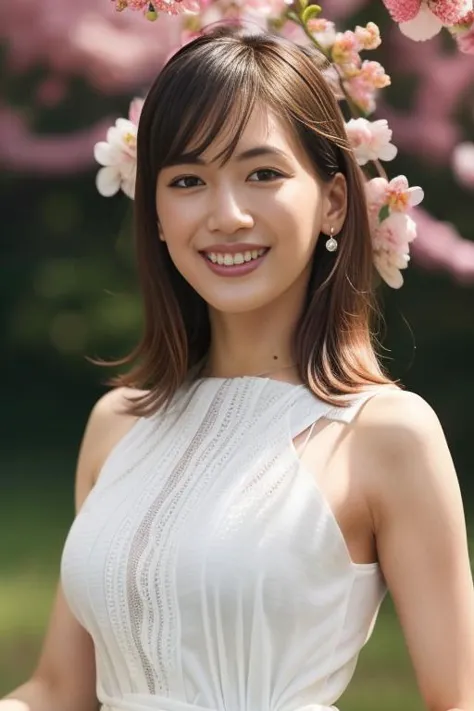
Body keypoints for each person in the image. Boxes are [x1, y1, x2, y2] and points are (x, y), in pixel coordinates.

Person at [3, 22, 474, 711]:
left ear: (334, 201)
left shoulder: (385, 433)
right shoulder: (118, 424)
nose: (226, 215)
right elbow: (59, 689)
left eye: (263, 174)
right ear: (158, 212)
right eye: (189, 179)